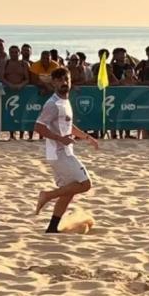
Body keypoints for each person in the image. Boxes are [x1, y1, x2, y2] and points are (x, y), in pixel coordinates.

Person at [33, 67, 99, 233]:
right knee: (85, 184)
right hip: (58, 153)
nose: (64, 83)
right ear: (54, 82)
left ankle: (52, 228)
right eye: (60, 80)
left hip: (62, 152)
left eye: (66, 79)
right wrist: (60, 139)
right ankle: (47, 195)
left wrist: (86, 137)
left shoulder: (64, 101)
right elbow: (38, 127)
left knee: (68, 192)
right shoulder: (52, 103)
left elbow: (69, 126)